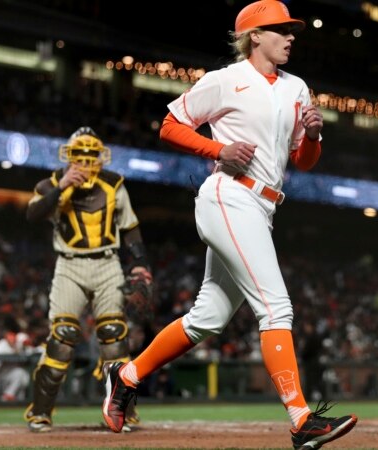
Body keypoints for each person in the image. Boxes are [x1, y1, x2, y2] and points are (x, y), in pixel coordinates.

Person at [101, 2, 357, 448]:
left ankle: (127, 374)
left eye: (291, 30)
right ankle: (301, 419)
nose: (291, 36)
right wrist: (215, 150)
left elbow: (304, 161)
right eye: (281, 29)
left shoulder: (297, 88)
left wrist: (313, 136)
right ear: (254, 35)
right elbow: (169, 125)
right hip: (230, 195)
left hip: (264, 206)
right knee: (276, 307)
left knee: (208, 319)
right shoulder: (225, 80)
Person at [23, 127, 152, 432]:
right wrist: (61, 187)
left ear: (100, 158)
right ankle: (39, 412)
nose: (85, 162)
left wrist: (140, 264)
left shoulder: (114, 185)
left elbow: (130, 227)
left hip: (107, 263)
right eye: (79, 156)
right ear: (68, 158)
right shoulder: (51, 184)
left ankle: (123, 412)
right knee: (63, 338)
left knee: (113, 338)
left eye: (91, 156)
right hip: (69, 265)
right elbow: (33, 214)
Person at [0, 325, 33, 402]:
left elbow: (31, 352)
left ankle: (8, 397)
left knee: (21, 374)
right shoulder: (1, 345)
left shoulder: (21, 346)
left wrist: (21, 349)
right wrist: (14, 353)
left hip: (6, 376)